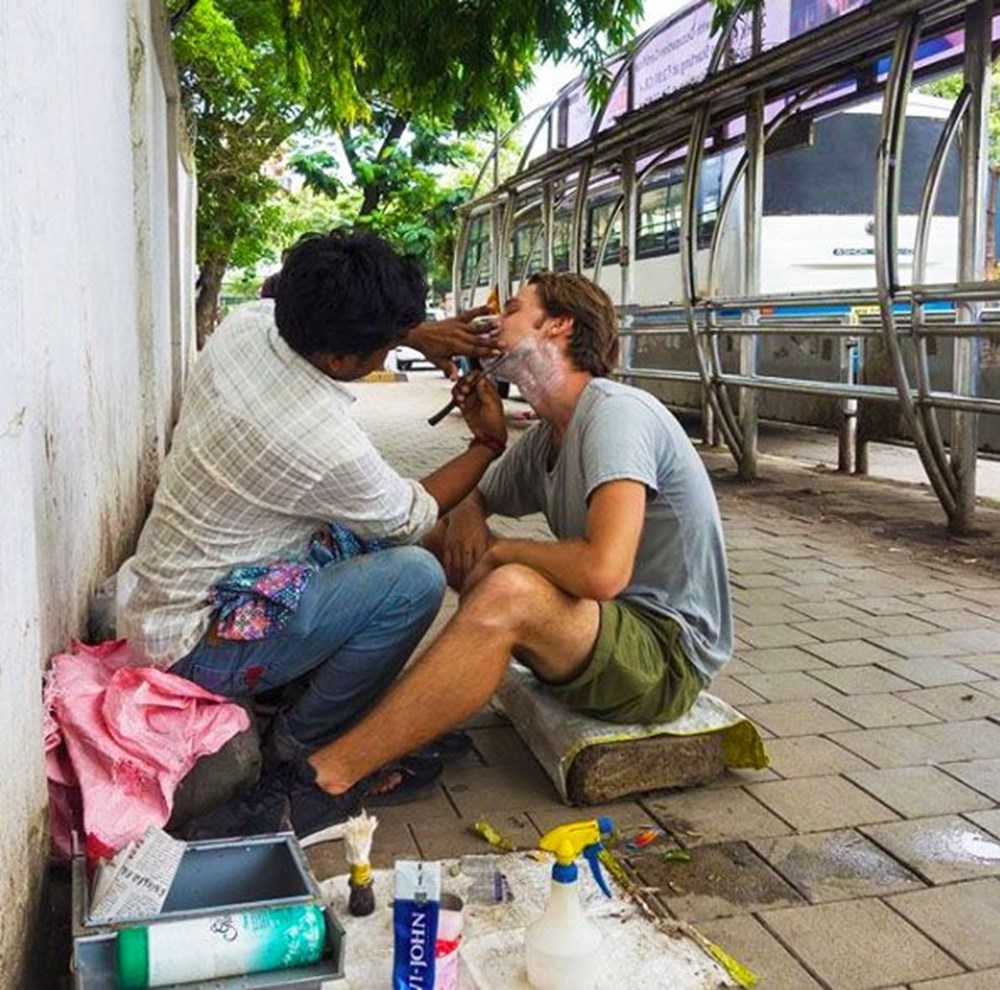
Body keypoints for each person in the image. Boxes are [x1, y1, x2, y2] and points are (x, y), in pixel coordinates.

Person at [185, 270, 733, 841]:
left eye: (514, 309)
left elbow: (604, 570)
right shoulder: (550, 435)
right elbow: (443, 507)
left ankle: (323, 782)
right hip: (599, 639)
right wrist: (483, 444)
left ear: (559, 325)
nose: (491, 323)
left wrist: (503, 553)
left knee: (511, 587)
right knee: (417, 534)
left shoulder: (616, 413)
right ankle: (361, 702)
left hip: (664, 659)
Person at [119, 230, 508, 810]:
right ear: (339, 359)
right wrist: (487, 441)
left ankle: (299, 691)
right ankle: (303, 744)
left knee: (348, 534)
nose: (390, 354)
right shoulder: (321, 442)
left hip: (158, 601)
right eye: (384, 347)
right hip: (194, 646)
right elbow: (410, 515)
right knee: (413, 577)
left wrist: (409, 330)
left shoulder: (248, 325)